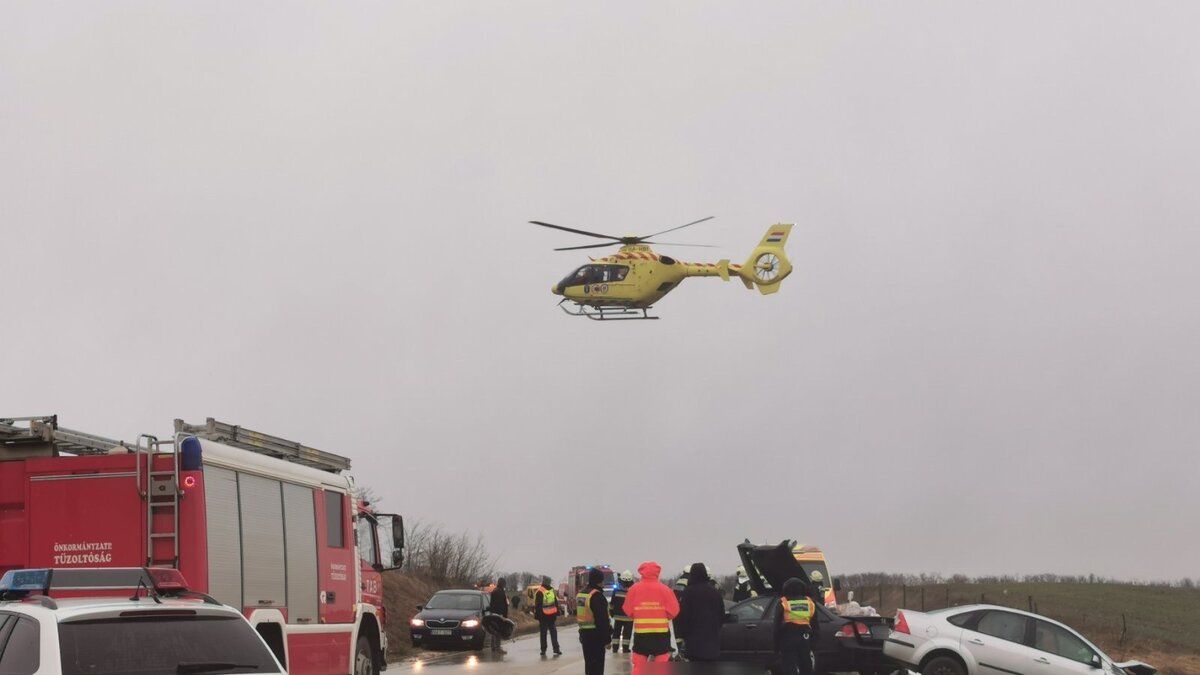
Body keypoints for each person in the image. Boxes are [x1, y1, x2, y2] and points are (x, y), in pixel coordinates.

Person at [624, 561, 679, 675]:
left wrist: (639, 615)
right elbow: (674, 611)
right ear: (658, 573)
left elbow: (627, 610)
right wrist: (663, 617)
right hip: (661, 635)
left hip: (641, 634)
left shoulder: (634, 589)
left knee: (639, 666)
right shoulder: (665, 590)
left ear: (641, 572)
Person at [674, 562, 724, 662]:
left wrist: (682, 635)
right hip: (712, 640)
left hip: (693, 642)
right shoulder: (714, 592)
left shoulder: (688, 592)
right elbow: (721, 614)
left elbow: (683, 616)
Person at [776, 577, 820, 675]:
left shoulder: (783, 603)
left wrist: (776, 646)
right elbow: (816, 626)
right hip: (805, 638)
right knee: (805, 666)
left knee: (789, 666)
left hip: (788, 639)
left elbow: (776, 627)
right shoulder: (810, 603)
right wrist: (813, 644)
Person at [577, 568, 611, 675]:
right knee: (597, 668)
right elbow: (602, 621)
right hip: (596, 637)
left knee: (589, 666)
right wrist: (607, 639)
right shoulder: (597, 596)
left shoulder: (581, 594)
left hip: (584, 635)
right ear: (599, 581)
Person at [534, 576, 562, 656]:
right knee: (553, 633)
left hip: (544, 617)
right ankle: (556, 649)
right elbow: (555, 603)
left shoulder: (540, 591)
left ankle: (543, 650)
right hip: (551, 616)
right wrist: (557, 612)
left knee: (543, 634)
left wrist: (538, 617)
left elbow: (538, 606)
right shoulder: (551, 590)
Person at [610, 570, 634, 653]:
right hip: (629, 617)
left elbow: (612, 602)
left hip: (618, 616)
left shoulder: (616, 589)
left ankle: (615, 648)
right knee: (627, 634)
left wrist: (611, 611)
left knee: (616, 632)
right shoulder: (633, 590)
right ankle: (625, 648)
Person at [487, 577, 509, 654]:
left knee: (494, 630)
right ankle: (497, 648)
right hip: (499, 614)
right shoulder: (500, 592)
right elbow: (502, 605)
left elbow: (492, 604)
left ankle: (493, 647)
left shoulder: (495, 591)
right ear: (502, 584)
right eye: (504, 584)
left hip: (494, 614)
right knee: (498, 631)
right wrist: (503, 615)